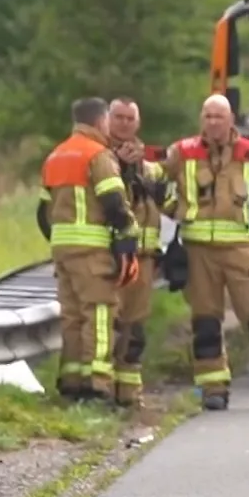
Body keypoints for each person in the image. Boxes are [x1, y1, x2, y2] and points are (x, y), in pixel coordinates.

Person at [165, 94, 249, 411]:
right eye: (208, 116)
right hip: (198, 250)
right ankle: (213, 388)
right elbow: (155, 182)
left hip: (242, 247)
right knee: (205, 322)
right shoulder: (183, 152)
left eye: (219, 116)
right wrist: (177, 210)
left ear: (231, 120)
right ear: (201, 119)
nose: (213, 122)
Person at [37, 97, 140, 402]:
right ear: (100, 121)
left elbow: (42, 213)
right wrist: (128, 234)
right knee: (98, 313)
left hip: (63, 248)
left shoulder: (55, 156)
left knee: (71, 316)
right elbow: (113, 202)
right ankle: (97, 383)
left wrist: (61, 238)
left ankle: (71, 380)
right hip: (92, 249)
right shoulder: (97, 155)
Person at [106, 97, 167, 407]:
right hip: (110, 255)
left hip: (144, 258)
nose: (124, 123)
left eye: (130, 118)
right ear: (107, 119)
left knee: (135, 326)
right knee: (110, 324)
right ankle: (104, 389)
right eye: (118, 117)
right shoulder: (100, 158)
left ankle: (129, 393)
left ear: (138, 123)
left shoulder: (150, 167)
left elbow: (168, 202)